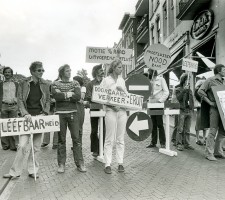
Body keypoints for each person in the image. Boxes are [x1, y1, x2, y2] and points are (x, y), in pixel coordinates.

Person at [3, 61, 50, 179]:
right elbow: (19, 99)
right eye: (39, 70)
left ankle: (32, 170)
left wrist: (44, 113)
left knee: (36, 147)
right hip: (26, 118)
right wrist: (25, 114)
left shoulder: (45, 84)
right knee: (22, 145)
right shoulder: (23, 83)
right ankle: (14, 172)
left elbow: (48, 100)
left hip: (39, 118)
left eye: (42, 70)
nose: (41, 72)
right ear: (32, 71)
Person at [52, 64, 86, 173]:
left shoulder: (75, 83)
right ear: (62, 72)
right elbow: (56, 97)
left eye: (70, 70)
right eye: (67, 71)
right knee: (61, 140)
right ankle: (61, 164)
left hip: (73, 113)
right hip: (60, 114)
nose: (69, 72)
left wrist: (63, 95)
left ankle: (80, 163)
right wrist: (69, 94)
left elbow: (77, 97)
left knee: (76, 139)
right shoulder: (55, 83)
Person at [100, 59, 127, 174]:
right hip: (111, 111)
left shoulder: (122, 80)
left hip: (121, 112)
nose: (121, 69)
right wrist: (111, 105)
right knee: (109, 138)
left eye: (122, 67)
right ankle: (108, 164)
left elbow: (127, 97)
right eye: (120, 67)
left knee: (120, 138)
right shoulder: (106, 80)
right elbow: (100, 95)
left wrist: (122, 91)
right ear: (114, 68)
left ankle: (120, 163)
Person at [198, 64, 225, 161]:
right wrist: (209, 102)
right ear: (218, 71)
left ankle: (218, 152)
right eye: (224, 70)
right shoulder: (210, 80)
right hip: (214, 109)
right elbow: (200, 91)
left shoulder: (224, 81)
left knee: (223, 131)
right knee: (213, 130)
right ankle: (209, 153)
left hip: (223, 109)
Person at [85, 64, 105, 157]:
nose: (102, 71)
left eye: (102, 70)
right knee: (94, 130)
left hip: (104, 108)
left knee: (104, 130)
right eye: (100, 70)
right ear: (96, 71)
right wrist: (98, 97)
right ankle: (95, 149)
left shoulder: (106, 83)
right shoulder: (90, 84)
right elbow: (88, 96)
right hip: (94, 108)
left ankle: (102, 149)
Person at [146, 69, 169, 149]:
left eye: (149, 72)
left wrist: (160, 101)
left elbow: (166, 92)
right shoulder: (149, 81)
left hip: (158, 104)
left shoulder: (161, 79)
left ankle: (163, 142)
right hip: (151, 103)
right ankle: (153, 142)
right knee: (153, 124)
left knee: (160, 124)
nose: (148, 73)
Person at [0, 67, 19, 151]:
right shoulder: (1, 84)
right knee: (4, 125)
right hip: (4, 105)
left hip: (13, 106)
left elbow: (19, 95)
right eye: (6, 72)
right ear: (3, 74)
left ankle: (13, 145)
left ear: (11, 74)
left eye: (9, 72)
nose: (7, 74)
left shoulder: (16, 84)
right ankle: (5, 145)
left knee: (13, 125)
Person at [176, 73, 195, 151]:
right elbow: (179, 98)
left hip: (189, 110)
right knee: (180, 128)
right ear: (184, 80)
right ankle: (179, 144)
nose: (189, 81)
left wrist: (192, 109)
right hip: (182, 110)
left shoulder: (190, 90)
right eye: (187, 80)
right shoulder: (178, 89)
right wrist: (184, 90)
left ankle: (187, 143)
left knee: (187, 129)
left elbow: (192, 100)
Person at [41, 84, 58, 149]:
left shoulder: (58, 93)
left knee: (57, 126)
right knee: (47, 125)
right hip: (49, 110)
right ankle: (45, 141)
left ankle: (55, 143)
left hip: (57, 109)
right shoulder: (47, 93)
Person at [194, 79, 207, 145]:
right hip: (200, 108)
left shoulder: (202, 91)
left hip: (203, 108)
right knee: (199, 124)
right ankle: (198, 138)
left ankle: (203, 138)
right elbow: (201, 99)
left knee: (204, 125)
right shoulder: (197, 91)